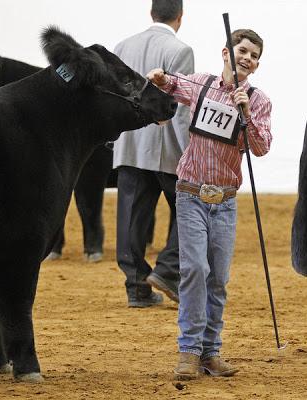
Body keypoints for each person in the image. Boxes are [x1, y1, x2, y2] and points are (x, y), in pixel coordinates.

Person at [147, 28, 272, 378]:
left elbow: (261, 148)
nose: (247, 57)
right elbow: (175, 84)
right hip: (190, 193)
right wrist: (160, 77)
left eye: (254, 55)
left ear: (257, 66)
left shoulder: (259, 100)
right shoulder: (202, 84)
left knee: (217, 278)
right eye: (242, 50)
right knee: (195, 271)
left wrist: (245, 114)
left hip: (226, 199)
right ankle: (188, 350)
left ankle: (210, 352)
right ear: (225, 52)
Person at [113, 0, 194, 308]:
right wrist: (187, 151)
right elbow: (181, 107)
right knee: (187, 211)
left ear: (151, 13)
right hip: (166, 149)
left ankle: (136, 287)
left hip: (130, 144)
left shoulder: (122, 46)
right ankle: (167, 271)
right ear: (180, 17)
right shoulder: (180, 51)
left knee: (131, 218)